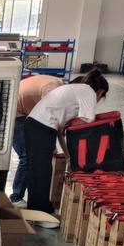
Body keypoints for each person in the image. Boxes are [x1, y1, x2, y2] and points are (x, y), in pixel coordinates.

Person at [25, 69, 109, 213]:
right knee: (42, 171)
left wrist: (69, 157)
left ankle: (36, 209)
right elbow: (89, 121)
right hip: (42, 127)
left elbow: (60, 133)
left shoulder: (74, 90)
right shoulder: (88, 91)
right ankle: (40, 211)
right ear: (100, 92)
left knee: (37, 169)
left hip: (35, 125)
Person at [10, 74, 63, 203]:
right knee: (26, 156)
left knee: (34, 155)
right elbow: (50, 119)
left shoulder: (59, 85)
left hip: (25, 112)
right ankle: (16, 196)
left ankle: (30, 194)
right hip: (15, 113)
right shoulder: (52, 89)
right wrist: (53, 146)